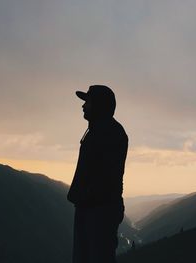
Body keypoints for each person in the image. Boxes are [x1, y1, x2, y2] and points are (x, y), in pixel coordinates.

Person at [67, 85, 128, 263]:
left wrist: (85, 197)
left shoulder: (109, 133)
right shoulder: (100, 130)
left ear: (99, 105)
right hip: (93, 208)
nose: (83, 106)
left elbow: (107, 177)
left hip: (98, 211)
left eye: (88, 101)